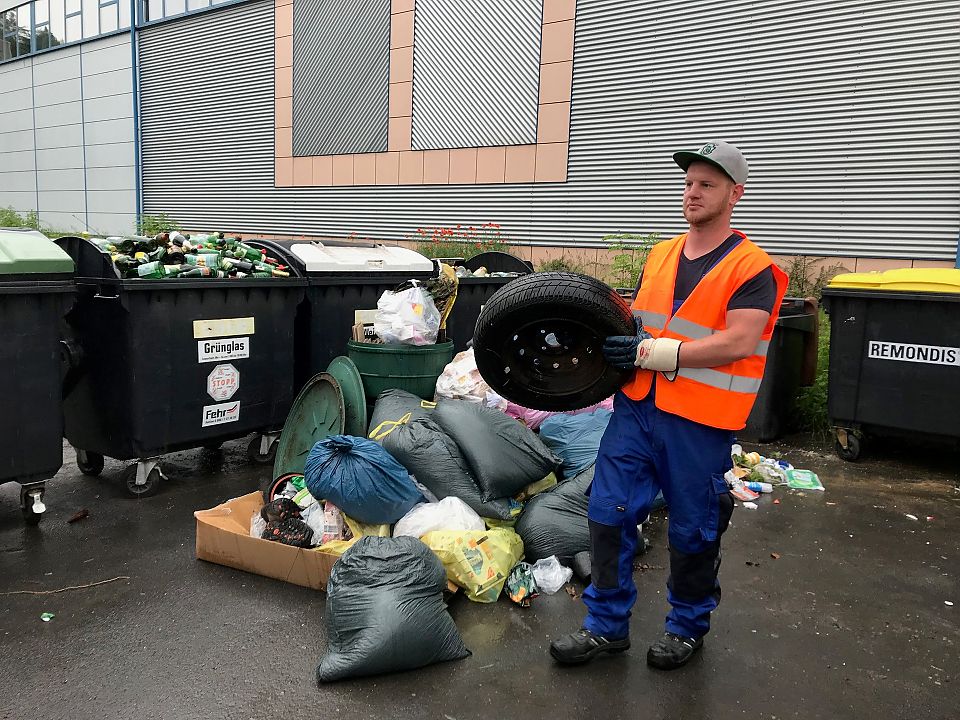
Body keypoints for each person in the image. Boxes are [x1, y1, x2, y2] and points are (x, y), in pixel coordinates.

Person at [550, 141, 788, 670]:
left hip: (699, 423)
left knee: (693, 527)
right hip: (637, 407)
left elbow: (739, 341)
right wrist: (618, 342)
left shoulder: (754, 269)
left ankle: (686, 626)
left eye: (707, 184)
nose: (693, 192)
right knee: (607, 513)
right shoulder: (661, 253)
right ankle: (605, 627)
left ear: (735, 194)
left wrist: (659, 352)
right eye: (689, 183)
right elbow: (637, 321)